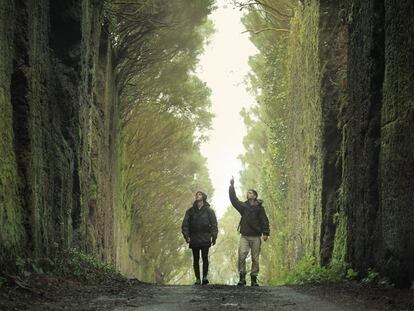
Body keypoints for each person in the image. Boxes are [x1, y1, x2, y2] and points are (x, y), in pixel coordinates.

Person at [229, 177, 270, 286]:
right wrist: (232, 186)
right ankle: (242, 278)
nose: (248, 194)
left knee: (255, 258)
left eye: (251, 193)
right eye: (248, 193)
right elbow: (234, 200)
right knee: (242, 255)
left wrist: (266, 233)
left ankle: (253, 279)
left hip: (256, 236)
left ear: (255, 196)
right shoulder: (244, 206)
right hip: (245, 236)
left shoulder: (260, 208)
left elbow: (264, 220)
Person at [182, 191, 218, 285]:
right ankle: (198, 279)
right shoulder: (190, 211)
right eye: (197, 195)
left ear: (204, 197)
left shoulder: (209, 211)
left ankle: (205, 277)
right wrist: (187, 236)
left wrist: (214, 237)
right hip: (194, 237)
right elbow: (185, 225)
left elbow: (214, 225)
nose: (197, 196)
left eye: (200, 194)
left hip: (205, 237)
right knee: (196, 259)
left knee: (205, 257)